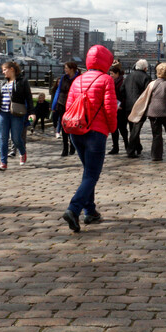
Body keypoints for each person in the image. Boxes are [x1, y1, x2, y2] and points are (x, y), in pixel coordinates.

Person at [62, 45, 118, 232]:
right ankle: (74, 208)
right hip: (96, 131)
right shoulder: (106, 79)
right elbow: (110, 108)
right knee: (92, 175)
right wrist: (112, 128)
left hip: (76, 130)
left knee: (88, 173)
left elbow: (69, 106)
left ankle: (90, 211)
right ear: (106, 61)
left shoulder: (77, 79)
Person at [0, 61, 33, 171]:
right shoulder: (2, 83)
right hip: (3, 113)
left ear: (12, 69)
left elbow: (29, 98)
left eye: (5, 70)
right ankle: (3, 163)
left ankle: (22, 152)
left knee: (16, 138)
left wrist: (31, 113)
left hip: (16, 113)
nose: (3, 72)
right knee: (3, 138)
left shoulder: (22, 81)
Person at [123, 59, 151, 158]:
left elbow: (122, 89)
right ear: (145, 68)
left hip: (128, 106)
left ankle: (138, 147)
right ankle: (130, 150)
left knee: (133, 128)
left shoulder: (128, 76)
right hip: (140, 106)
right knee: (136, 129)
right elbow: (148, 93)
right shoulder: (146, 77)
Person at [51, 61, 80, 156]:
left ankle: (73, 145)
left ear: (71, 69)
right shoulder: (63, 78)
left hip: (74, 105)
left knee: (72, 126)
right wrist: (54, 105)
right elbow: (58, 91)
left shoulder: (78, 78)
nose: (65, 69)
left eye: (66, 68)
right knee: (64, 127)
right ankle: (65, 148)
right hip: (62, 104)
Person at [108, 65, 129, 155]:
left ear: (117, 73)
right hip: (114, 108)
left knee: (122, 129)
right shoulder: (112, 82)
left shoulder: (122, 82)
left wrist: (121, 105)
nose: (111, 75)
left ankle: (127, 146)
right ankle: (115, 147)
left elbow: (125, 95)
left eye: (112, 74)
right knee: (114, 129)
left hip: (121, 109)